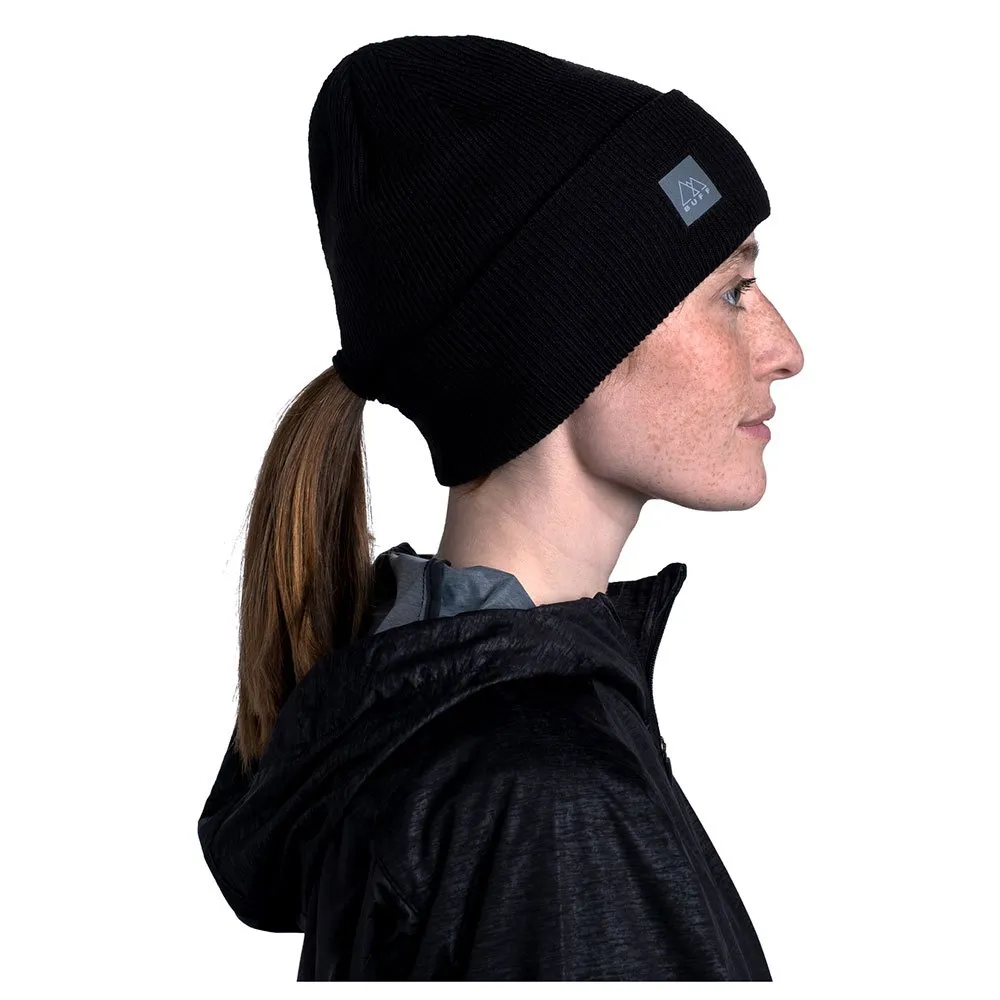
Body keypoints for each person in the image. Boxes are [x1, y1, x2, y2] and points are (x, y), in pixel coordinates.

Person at [197, 34, 804, 981]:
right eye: (733, 291)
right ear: (569, 344)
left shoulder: (451, 725)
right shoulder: (549, 803)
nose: (785, 349)